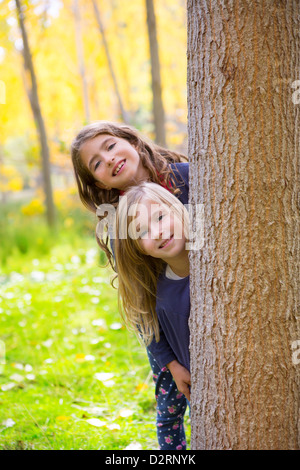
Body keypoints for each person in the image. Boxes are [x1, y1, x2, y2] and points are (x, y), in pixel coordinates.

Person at [71, 121, 189, 449]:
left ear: (132, 142)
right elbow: (138, 299)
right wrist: (170, 360)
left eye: (109, 146)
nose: (107, 159)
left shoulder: (186, 178)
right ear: (96, 181)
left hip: (198, 297)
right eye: (96, 163)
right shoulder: (118, 220)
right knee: (171, 402)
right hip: (163, 317)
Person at [114, 182, 191, 449]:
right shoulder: (158, 292)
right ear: (139, 248)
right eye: (143, 231)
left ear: (179, 209)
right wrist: (174, 366)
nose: (157, 232)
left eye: (160, 217)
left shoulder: (218, 261)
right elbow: (149, 329)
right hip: (196, 385)